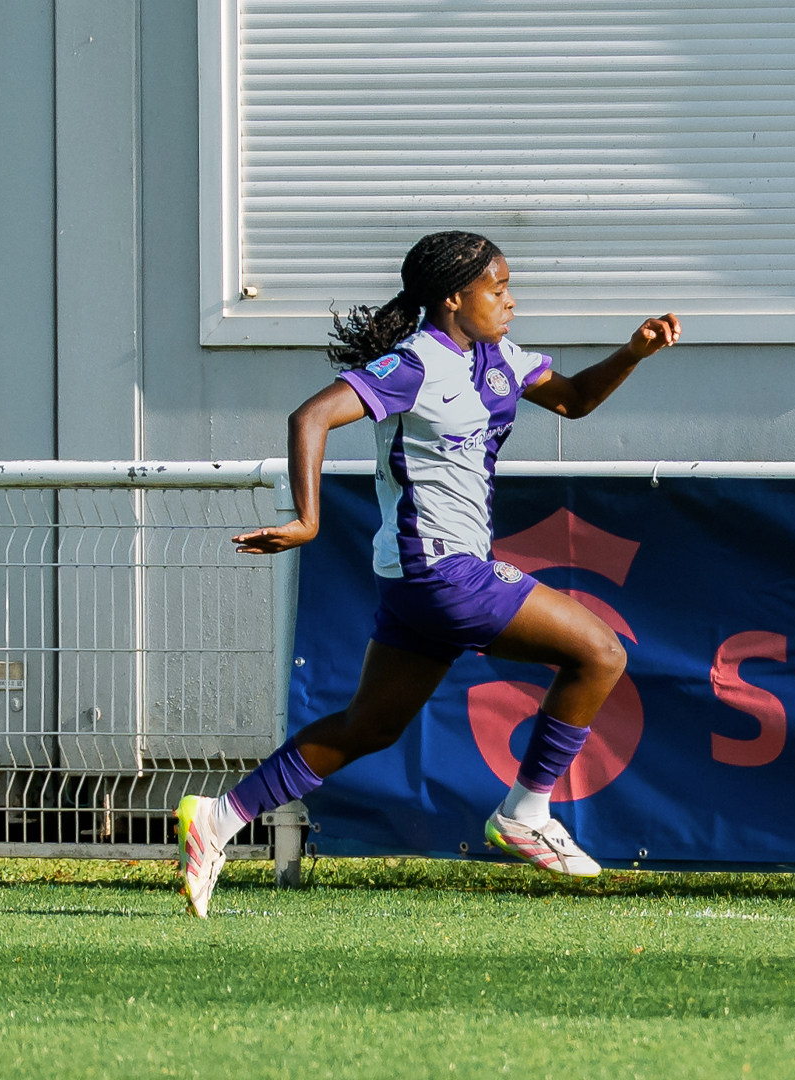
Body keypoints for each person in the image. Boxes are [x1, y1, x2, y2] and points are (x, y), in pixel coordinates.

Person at [174, 231, 679, 917]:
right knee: (600, 652)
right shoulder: (413, 365)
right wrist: (309, 520)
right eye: (496, 289)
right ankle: (526, 811)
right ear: (452, 299)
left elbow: (572, 401)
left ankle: (220, 817)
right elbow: (313, 416)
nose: (510, 300)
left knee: (368, 727)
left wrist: (634, 353)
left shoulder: (496, 356)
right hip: (442, 572)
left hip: (419, 581)